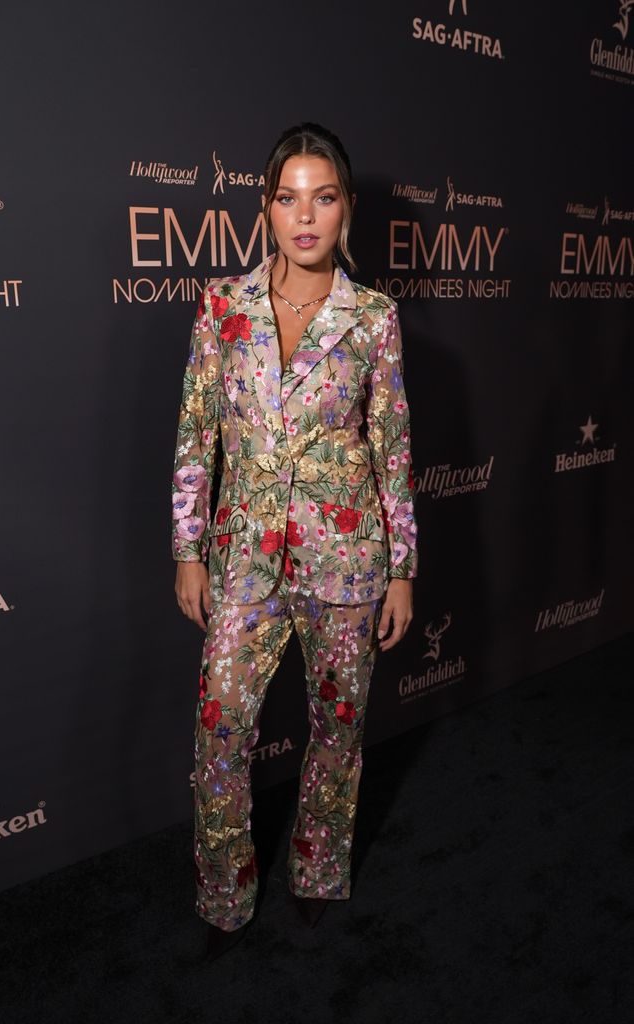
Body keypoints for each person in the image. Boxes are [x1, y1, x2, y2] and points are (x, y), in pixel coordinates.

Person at [171, 122, 418, 961]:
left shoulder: (373, 317)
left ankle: (316, 871)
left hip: (348, 562)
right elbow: (194, 435)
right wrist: (186, 549)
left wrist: (403, 573)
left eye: (323, 196)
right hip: (241, 556)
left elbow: (392, 445)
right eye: (287, 197)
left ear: (344, 208)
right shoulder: (221, 308)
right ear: (266, 207)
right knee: (220, 731)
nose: (304, 216)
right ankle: (224, 891)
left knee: (338, 728)